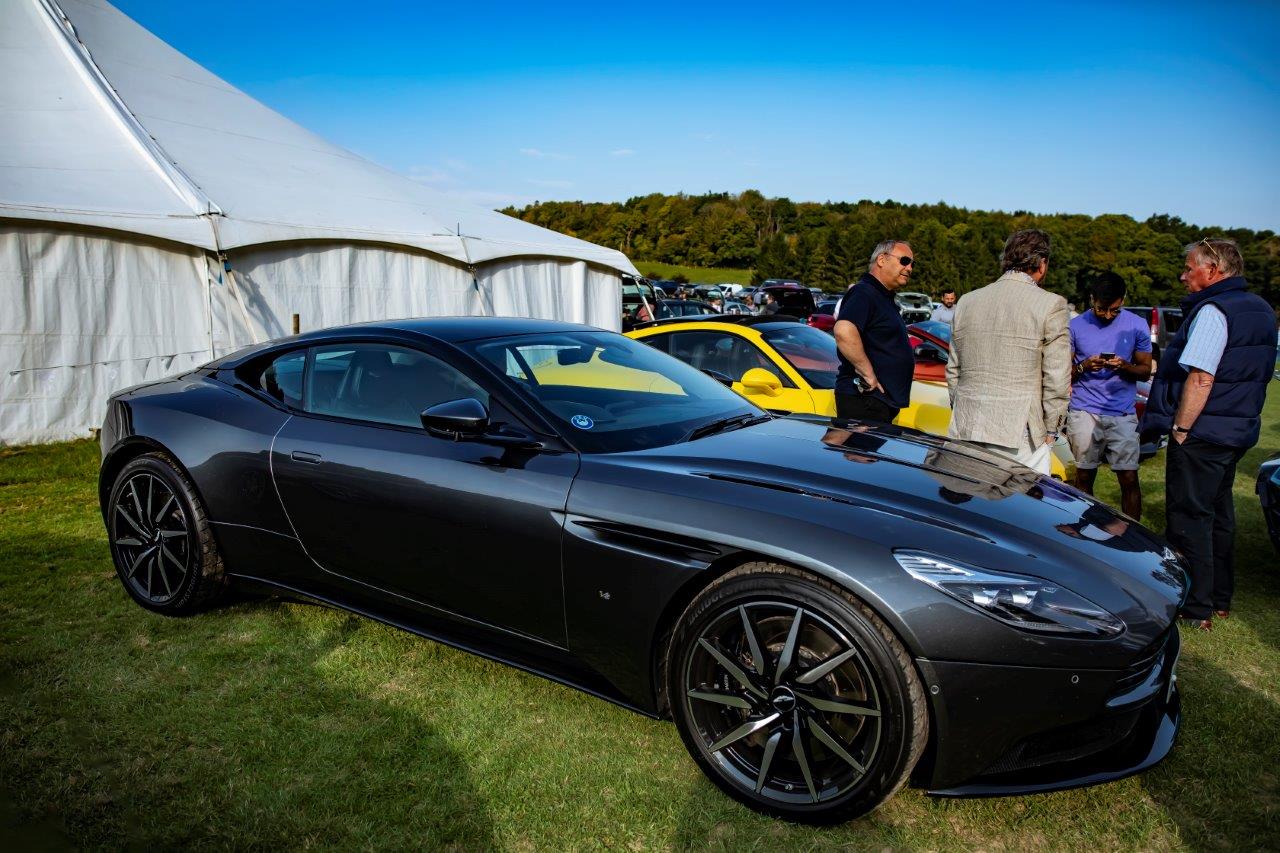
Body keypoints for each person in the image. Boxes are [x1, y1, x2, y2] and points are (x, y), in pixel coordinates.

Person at [1142, 237, 1277, 630]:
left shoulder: (1215, 310)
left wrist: (1182, 428)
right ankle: (1218, 598)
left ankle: (1194, 604)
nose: (1183, 276)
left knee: (1189, 517)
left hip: (1203, 429)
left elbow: (1201, 377)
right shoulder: (1261, 308)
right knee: (1218, 514)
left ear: (1212, 270)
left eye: (1189, 268)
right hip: (1236, 429)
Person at [946, 229, 1070, 473]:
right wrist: (1052, 428)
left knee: (968, 495)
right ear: (1042, 263)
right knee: (1023, 498)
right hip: (1020, 431)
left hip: (967, 422)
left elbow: (953, 369)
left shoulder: (967, 301)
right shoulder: (1051, 304)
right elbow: (1057, 375)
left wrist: (961, 408)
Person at [1067, 272, 1152, 518]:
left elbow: (1145, 371)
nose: (1106, 315)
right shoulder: (1075, 326)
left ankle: (1132, 535)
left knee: (1129, 477)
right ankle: (1084, 530)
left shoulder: (1136, 325)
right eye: (1101, 309)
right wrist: (1084, 366)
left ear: (1123, 299)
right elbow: (1062, 373)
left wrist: (1125, 366)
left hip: (1122, 411)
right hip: (1084, 409)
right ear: (1091, 299)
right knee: (1084, 475)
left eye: (1114, 310)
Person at [832, 239, 914, 423]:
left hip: (876, 402)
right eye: (904, 261)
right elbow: (844, 330)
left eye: (912, 264)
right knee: (859, 445)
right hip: (865, 399)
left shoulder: (882, 296)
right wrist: (868, 375)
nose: (909, 268)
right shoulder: (864, 292)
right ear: (882, 260)